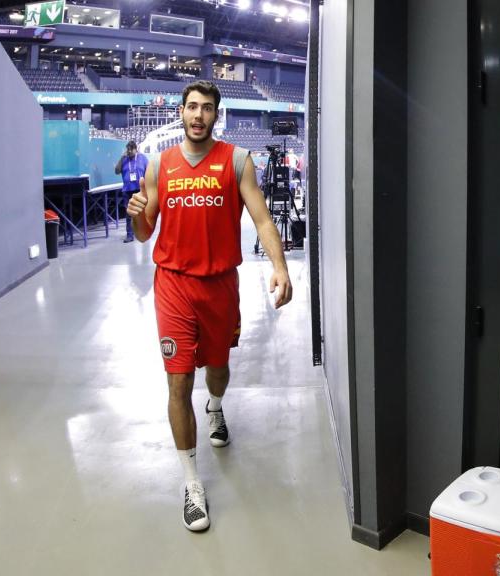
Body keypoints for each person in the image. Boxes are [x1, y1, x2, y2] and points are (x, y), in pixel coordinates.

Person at [125, 80, 293, 532]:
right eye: (192, 107)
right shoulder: (160, 165)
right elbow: (145, 232)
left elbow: (262, 218)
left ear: (216, 115)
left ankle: (215, 406)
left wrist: (280, 266)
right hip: (173, 285)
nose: (198, 115)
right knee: (178, 382)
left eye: (207, 108)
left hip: (219, 286)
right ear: (181, 112)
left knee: (217, 368)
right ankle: (191, 482)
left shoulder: (237, 160)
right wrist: (136, 213)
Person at [114, 140, 148, 243]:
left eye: (131, 150)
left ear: (136, 149)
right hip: (127, 190)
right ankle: (129, 235)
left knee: (142, 213)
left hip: (140, 190)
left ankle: (144, 232)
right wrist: (121, 158)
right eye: (127, 149)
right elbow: (116, 171)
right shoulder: (124, 159)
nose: (129, 151)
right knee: (129, 213)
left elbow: (148, 172)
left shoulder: (142, 158)